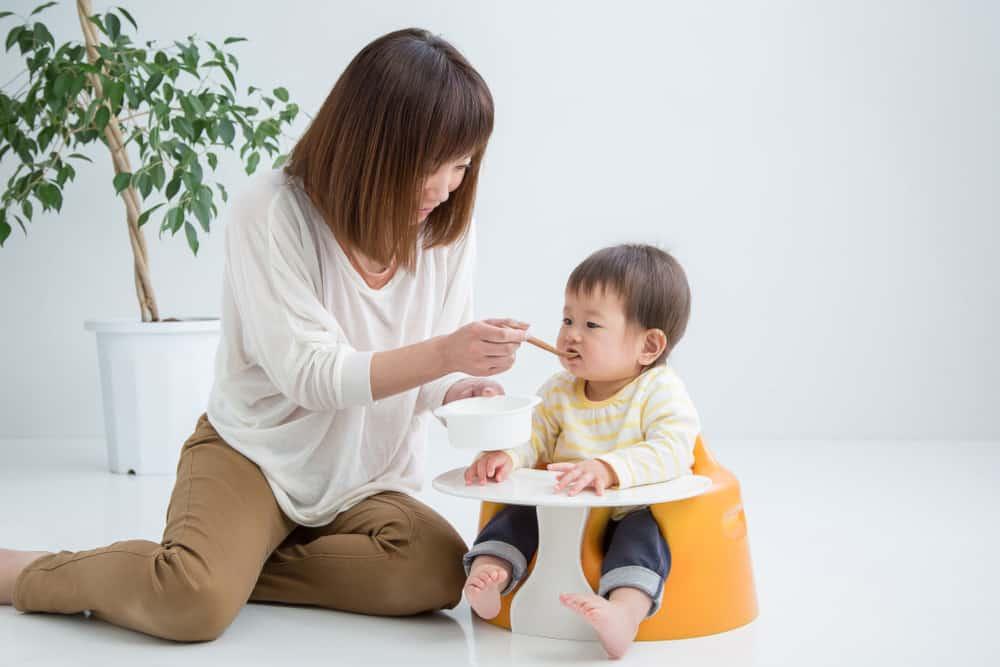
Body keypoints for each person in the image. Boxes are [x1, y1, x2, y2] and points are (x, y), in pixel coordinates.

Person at [0, 28, 528, 642]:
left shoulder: (443, 233)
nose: (442, 189)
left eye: (460, 166)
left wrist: (462, 392)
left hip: (363, 481)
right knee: (191, 606)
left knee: (440, 573)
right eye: (426, 165)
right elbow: (311, 375)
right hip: (256, 457)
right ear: (370, 147)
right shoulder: (274, 210)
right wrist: (446, 353)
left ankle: (219, 563)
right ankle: (33, 573)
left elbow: (432, 370)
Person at [462, 244, 700, 659]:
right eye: (567, 319)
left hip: (627, 510)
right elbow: (533, 437)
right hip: (557, 505)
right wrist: (509, 456)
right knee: (511, 519)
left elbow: (674, 450)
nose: (571, 334)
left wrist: (608, 469)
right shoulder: (559, 390)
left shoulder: (658, 390)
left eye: (591, 324)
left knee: (642, 543)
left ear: (648, 346)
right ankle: (489, 577)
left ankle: (623, 614)